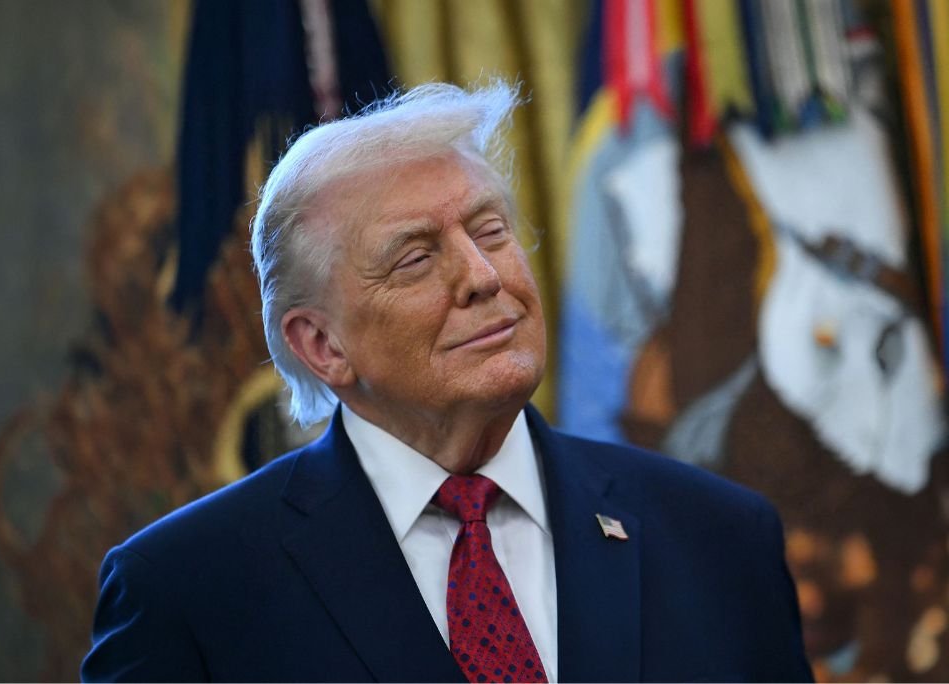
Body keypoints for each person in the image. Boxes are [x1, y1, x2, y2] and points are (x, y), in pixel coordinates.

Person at [81, 81, 812, 683]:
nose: (484, 277)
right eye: (415, 259)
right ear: (322, 344)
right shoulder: (186, 590)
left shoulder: (718, 537)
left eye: (490, 230)